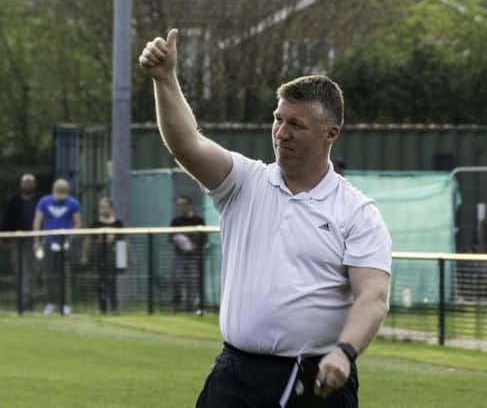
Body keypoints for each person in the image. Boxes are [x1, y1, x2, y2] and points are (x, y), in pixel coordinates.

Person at [140, 29, 391, 407]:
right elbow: (186, 144)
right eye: (278, 119)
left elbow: (372, 296)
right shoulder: (245, 182)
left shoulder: (356, 212)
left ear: (331, 134)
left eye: (296, 125)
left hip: (313, 380)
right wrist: (165, 79)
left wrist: (345, 352)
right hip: (234, 372)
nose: (282, 133)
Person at [33, 179, 81, 316]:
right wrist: (37, 241)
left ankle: (65, 304)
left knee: (64, 274)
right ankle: (51, 303)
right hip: (49, 242)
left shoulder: (73, 203)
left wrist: (69, 240)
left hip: (66, 243)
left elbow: (78, 223)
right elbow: (38, 220)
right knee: (49, 274)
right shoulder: (44, 201)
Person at [2, 174, 41, 311]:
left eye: (30, 182)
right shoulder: (14, 200)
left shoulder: (39, 200)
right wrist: (7, 237)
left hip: (36, 240)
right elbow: (7, 219)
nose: (28, 185)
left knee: (34, 272)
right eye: (25, 182)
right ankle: (23, 303)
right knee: (21, 272)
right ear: (21, 184)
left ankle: (30, 302)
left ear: (34, 185)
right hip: (18, 241)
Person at [81, 197, 124, 314]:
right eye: (101, 207)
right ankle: (102, 308)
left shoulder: (118, 224)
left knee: (112, 282)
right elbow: (88, 240)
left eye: (106, 207)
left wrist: (124, 259)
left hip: (113, 257)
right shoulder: (96, 224)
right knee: (101, 282)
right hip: (100, 256)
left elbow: (123, 242)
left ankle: (114, 307)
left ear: (111, 208)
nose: (103, 210)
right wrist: (85, 255)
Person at [170, 195, 206, 312]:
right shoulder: (175, 221)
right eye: (180, 204)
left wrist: (194, 244)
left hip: (193, 256)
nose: (182, 207)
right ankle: (177, 305)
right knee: (177, 278)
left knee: (192, 281)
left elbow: (204, 238)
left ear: (189, 205)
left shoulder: (198, 220)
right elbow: (171, 237)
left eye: (184, 204)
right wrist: (183, 242)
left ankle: (190, 307)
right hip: (180, 256)